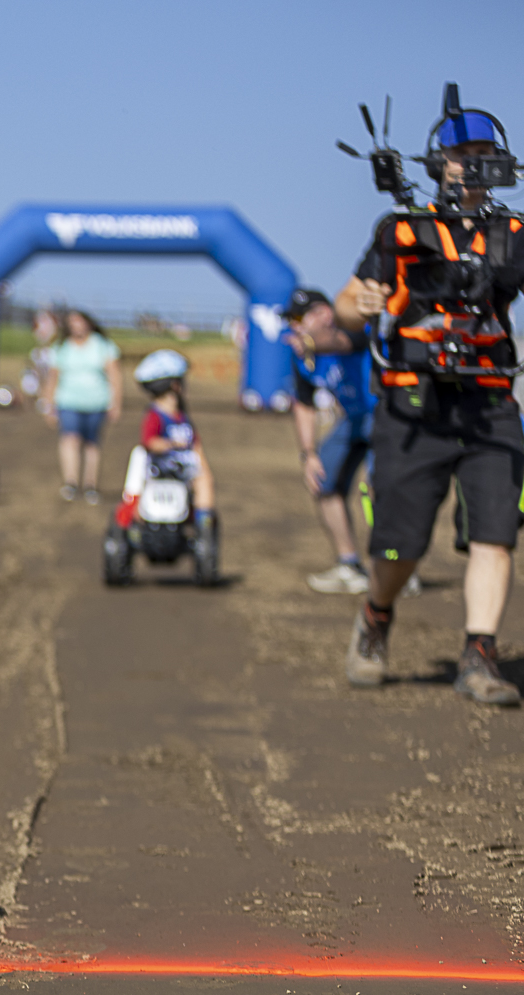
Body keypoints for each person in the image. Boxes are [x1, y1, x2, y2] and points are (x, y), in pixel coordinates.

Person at [337, 84, 524, 704]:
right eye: (461, 154)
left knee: (497, 532)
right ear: (437, 163)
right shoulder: (402, 230)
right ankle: (376, 615)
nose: (473, 165)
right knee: (399, 545)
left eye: (484, 154)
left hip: (490, 404)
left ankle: (479, 657)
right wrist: (363, 303)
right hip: (412, 407)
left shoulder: (514, 233)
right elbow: (347, 305)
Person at [285, 287, 395, 595]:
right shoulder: (302, 356)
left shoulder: (353, 329)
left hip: (386, 415)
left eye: (299, 318)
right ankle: (349, 566)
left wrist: (309, 343)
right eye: (290, 319)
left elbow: (341, 342)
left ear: (324, 314)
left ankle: (394, 565)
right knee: (323, 480)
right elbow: (304, 404)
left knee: (379, 487)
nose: (293, 325)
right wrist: (308, 454)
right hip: (353, 419)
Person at [126, 349, 217, 549]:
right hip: (159, 467)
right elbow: (149, 442)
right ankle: (134, 524)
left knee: (204, 482)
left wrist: (204, 468)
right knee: (140, 489)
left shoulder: (182, 416)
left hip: (183, 468)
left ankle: (204, 528)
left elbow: (196, 444)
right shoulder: (155, 415)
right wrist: (173, 444)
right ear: (175, 385)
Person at [39, 309, 122, 503]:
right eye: (72, 323)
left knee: (92, 443)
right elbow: (52, 378)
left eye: (80, 322)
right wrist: (47, 404)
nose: (77, 326)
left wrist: (116, 403)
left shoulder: (103, 346)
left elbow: (115, 375)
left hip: (97, 402)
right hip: (68, 401)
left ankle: (90, 485)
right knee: (70, 439)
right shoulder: (61, 348)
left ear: (88, 323)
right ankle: (71, 482)